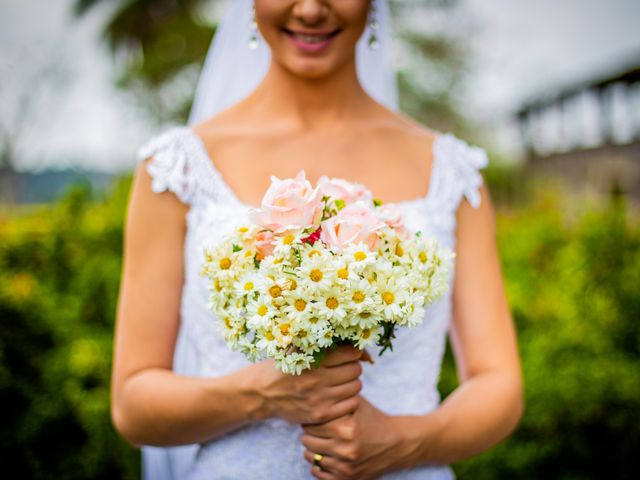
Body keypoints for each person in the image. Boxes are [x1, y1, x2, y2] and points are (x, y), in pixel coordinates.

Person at [111, 0, 523, 478]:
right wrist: (261, 393)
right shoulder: (177, 168)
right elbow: (133, 403)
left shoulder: (450, 171)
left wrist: (406, 442)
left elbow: (499, 386)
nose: (309, 10)